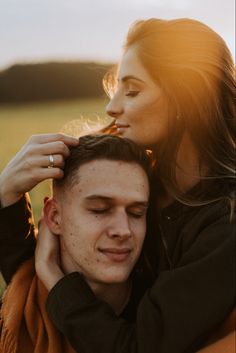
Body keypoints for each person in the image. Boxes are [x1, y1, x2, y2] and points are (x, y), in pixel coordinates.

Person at [0, 17, 235, 353]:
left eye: (133, 90)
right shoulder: (136, 179)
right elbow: (31, 286)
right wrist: (7, 196)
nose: (112, 107)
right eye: (116, 89)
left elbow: (138, 347)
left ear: (187, 96)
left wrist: (58, 283)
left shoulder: (225, 220)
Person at [0, 134, 152, 352]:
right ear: (54, 217)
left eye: (136, 213)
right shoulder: (22, 301)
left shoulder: (165, 315)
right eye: (99, 209)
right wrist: (6, 189)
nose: (123, 230)